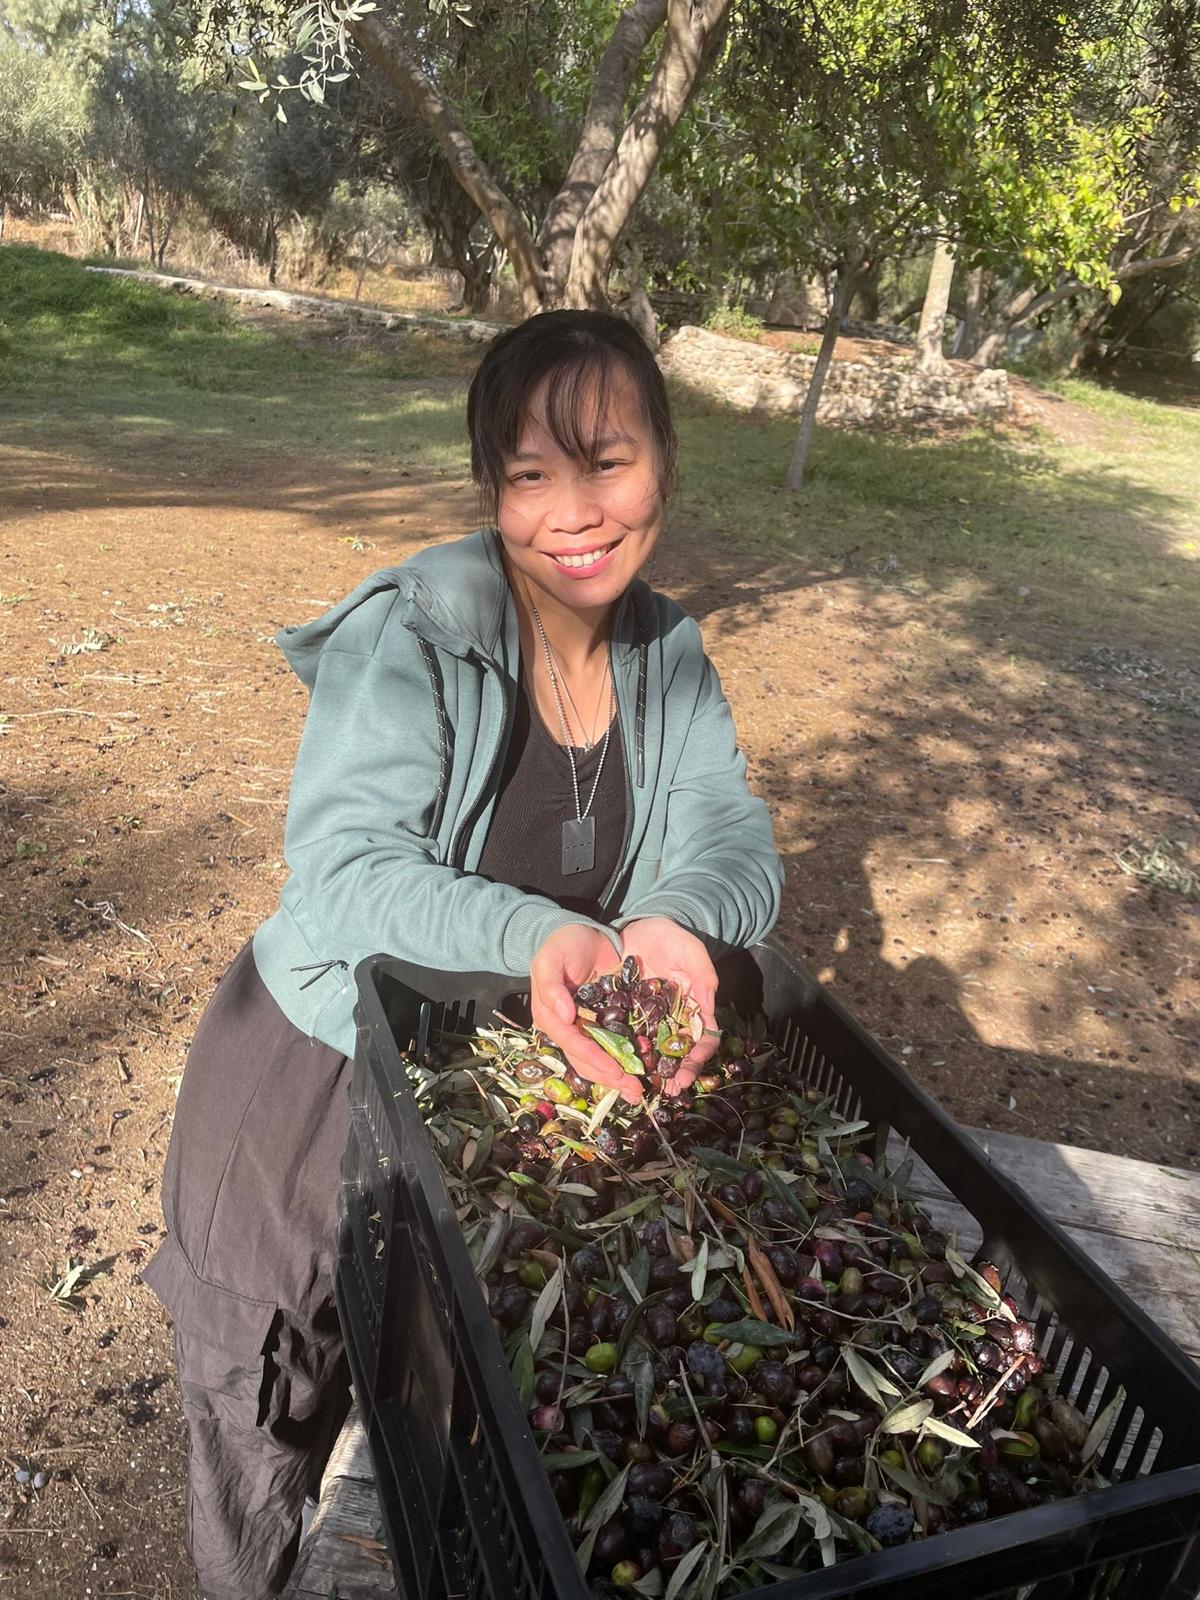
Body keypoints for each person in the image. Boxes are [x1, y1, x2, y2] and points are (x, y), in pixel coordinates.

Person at [143, 309, 783, 1599]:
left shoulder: (671, 656)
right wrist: (539, 931)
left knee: (402, 1435)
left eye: (607, 460)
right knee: (264, 1411)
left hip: (465, 1101)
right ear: (491, 493)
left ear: (667, 463)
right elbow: (346, 869)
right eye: (529, 475)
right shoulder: (417, 636)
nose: (575, 511)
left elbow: (732, 838)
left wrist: (675, 926)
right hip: (312, 1087)